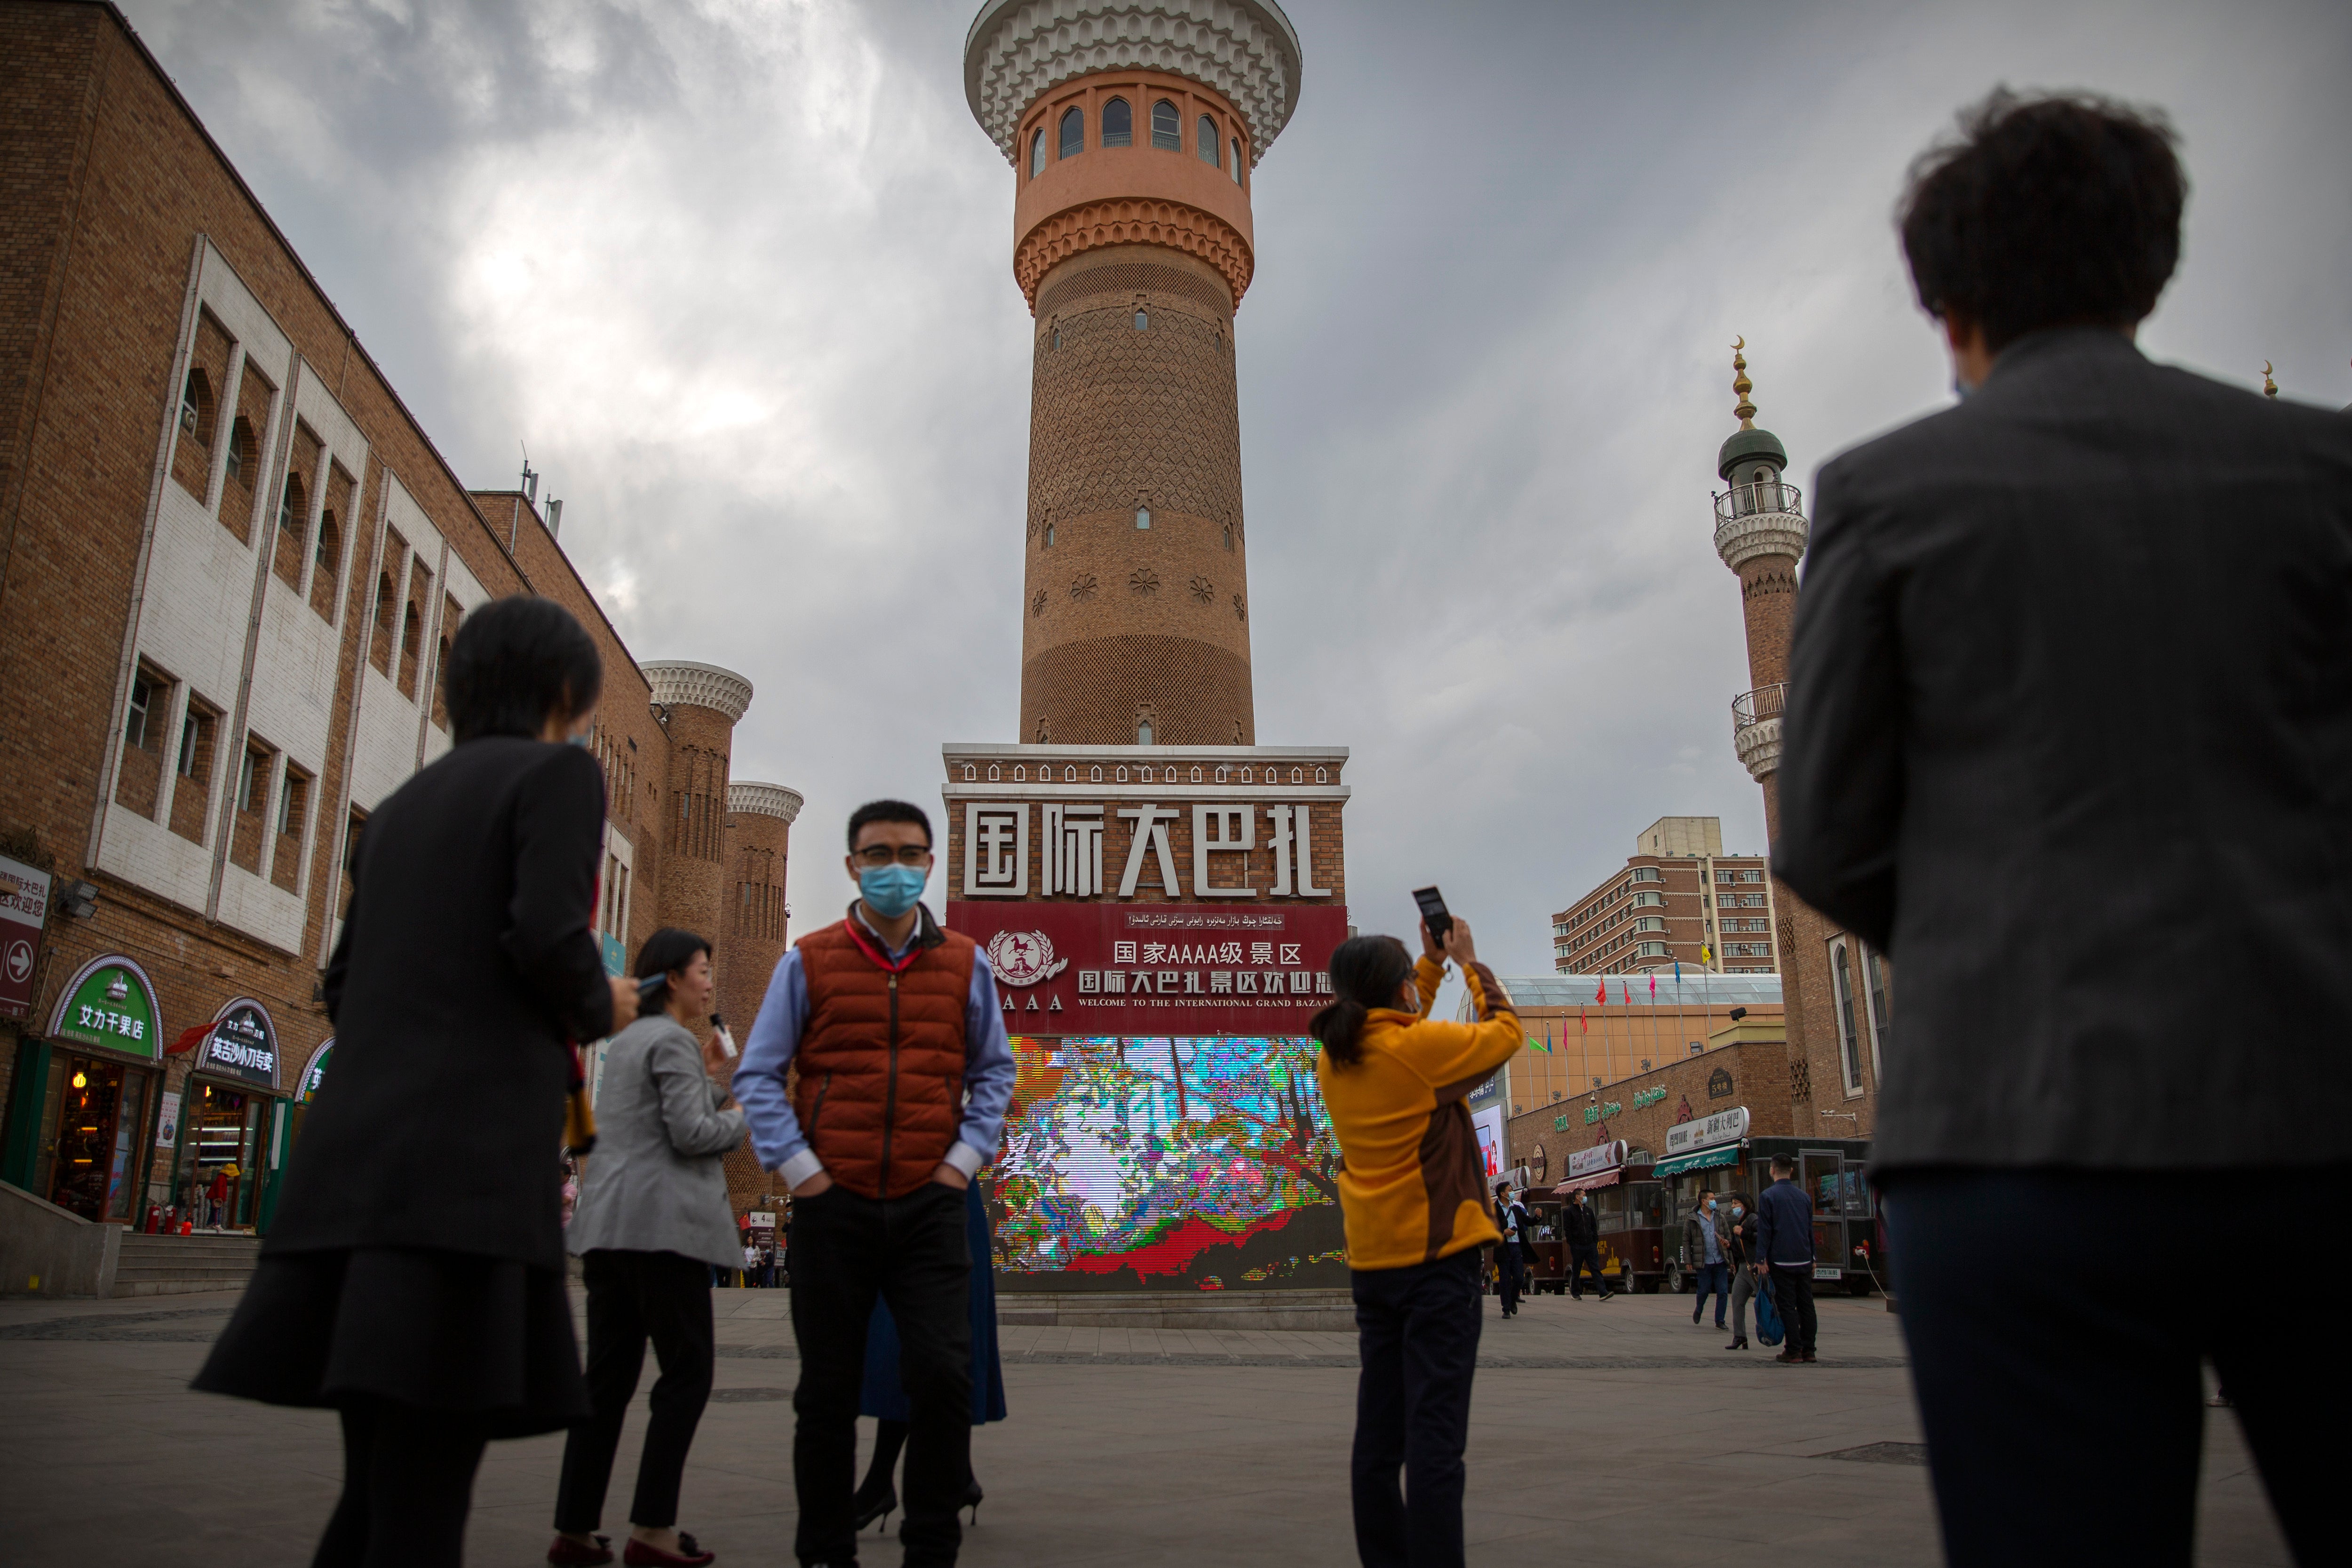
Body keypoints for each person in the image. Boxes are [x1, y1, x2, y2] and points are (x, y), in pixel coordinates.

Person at [1773, 88, 2352, 1567]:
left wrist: (1989, 943)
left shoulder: (1889, 493)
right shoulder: (2319, 471)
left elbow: (1826, 829)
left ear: (1943, 298)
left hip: (2010, 1138)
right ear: (2147, 266)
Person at [192, 595, 638, 1568]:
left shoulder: (398, 809)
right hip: (462, 1184)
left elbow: (344, 984)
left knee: (375, 1490)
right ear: (567, 694)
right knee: (427, 1494)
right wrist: (606, 1000)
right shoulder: (558, 776)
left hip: (350, 1174)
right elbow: (545, 938)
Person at [733, 800, 1016, 1568]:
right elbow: (758, 1073)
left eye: (911, 852)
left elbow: (994, 1071)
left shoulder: (965, 960)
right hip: (836, 1202)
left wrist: (961, 1162)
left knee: (942, 1376)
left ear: (931, 862)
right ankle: (828, 1551)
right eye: (878, 852)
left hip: (931, 1202)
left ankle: (931, 1547)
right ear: (853, 864)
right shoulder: (810, 957)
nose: (896, 866)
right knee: (826, 1393)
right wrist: (803, 1171)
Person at [1314, 915, 1520, 1568]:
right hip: (1439, 1266)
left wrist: (1425, 970)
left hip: (1376, 1267)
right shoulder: (1419, 1051)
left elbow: (1404, 1030)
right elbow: (1506, 1033)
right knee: (1435, 1444)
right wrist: (1470, 962)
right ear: (1398, 991)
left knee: (1379, 1441)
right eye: (1409, 982)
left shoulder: (1336, 1056)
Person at [551, 928, 746, 1568]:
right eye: (702, 969)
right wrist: (748, 1108)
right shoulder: (669, 1039)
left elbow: (657, 1125)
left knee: (606, 1383)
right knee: (687, 1376)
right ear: (670, 977)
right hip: (663, 1235)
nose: (709, 981)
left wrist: (714, 1081)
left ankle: (575, 1529)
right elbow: (693, 1135)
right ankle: (653, 1526)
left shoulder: (632, 1038)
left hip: (612, 1232)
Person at [851, 1181, 1007, 1534]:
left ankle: (881, 1482)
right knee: (923, 1339)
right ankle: (960, 1475)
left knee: (931, 1340)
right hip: (909, 1195)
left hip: (941, 1195)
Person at [1754, 1156, 1815, 1364]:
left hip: (1781, 1260)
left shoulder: (1768, 1196)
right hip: (1804, 1259)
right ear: (1791, 1171)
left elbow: (1765, 1231)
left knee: (1788, 1306)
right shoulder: (1804, 1197)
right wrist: (1813, 1257)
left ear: (1772, 1171)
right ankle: (1810, 1350)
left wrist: (1761, 1258)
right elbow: (1809, 1231)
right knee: (1807, 1305)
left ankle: (1793, 1350)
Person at [1684, 1189, 1730, 1330]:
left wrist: (1727, 1244)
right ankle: (1699, 1309)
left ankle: (1720, 1320)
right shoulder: (1692, 1219)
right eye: (1711, 1198)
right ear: (1704, 1201)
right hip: (1704, 1262)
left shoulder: (1720, 1217)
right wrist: (1688, 1260)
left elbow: (1728, 1236)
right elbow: (1686, 1240)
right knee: (1703, 1291)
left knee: (1723, 1292)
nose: (1713, 1201)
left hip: (1720, 1261)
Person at [1722, 1194, 1758, 1350]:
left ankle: (1779, 1329)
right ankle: (1740, 1336)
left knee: (1768, 1300)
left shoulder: (1753, 1219)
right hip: (1744, 1267)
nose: (1733, 1207)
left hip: (1755, 1266)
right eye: (1732, 1204)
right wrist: (1730, 1246)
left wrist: (1743, 1233)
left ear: (1745, 1204)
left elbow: (1762, 1237)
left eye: (1736, 1203)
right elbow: (1741, 1249)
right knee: (1737, 1300)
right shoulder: (1740, 1222)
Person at [1562, 1188, 1611, 1301]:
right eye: (1583, 1195)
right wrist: (1572, 1244)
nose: (1585, 1197)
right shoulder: (1569, 1212)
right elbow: (1568, 1230)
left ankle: (1603, 1292)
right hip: (1577, 1246)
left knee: (1595, 1268)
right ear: (1577, 1197)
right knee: (1577, 1269)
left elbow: (1593, 1227)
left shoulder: (1589, 1211)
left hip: (1590, 1245)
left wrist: (1595, 1241)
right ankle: (1575, 1292)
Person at [1490, 1181, 1529, 1318]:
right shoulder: (1494, 1209)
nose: (1512, 1192)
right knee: (1505, 1279)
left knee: (1519, 1278)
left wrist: (1538, 1217)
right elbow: (1491, 1226)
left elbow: (1527, 1221)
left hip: (1516, 1246)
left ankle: (1513, 1300)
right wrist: (1504, 1231)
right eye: (1510, 1190)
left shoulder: (1516, 1208)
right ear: (1502, 1194)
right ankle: (1506, 1308)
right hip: (1503, 1247)